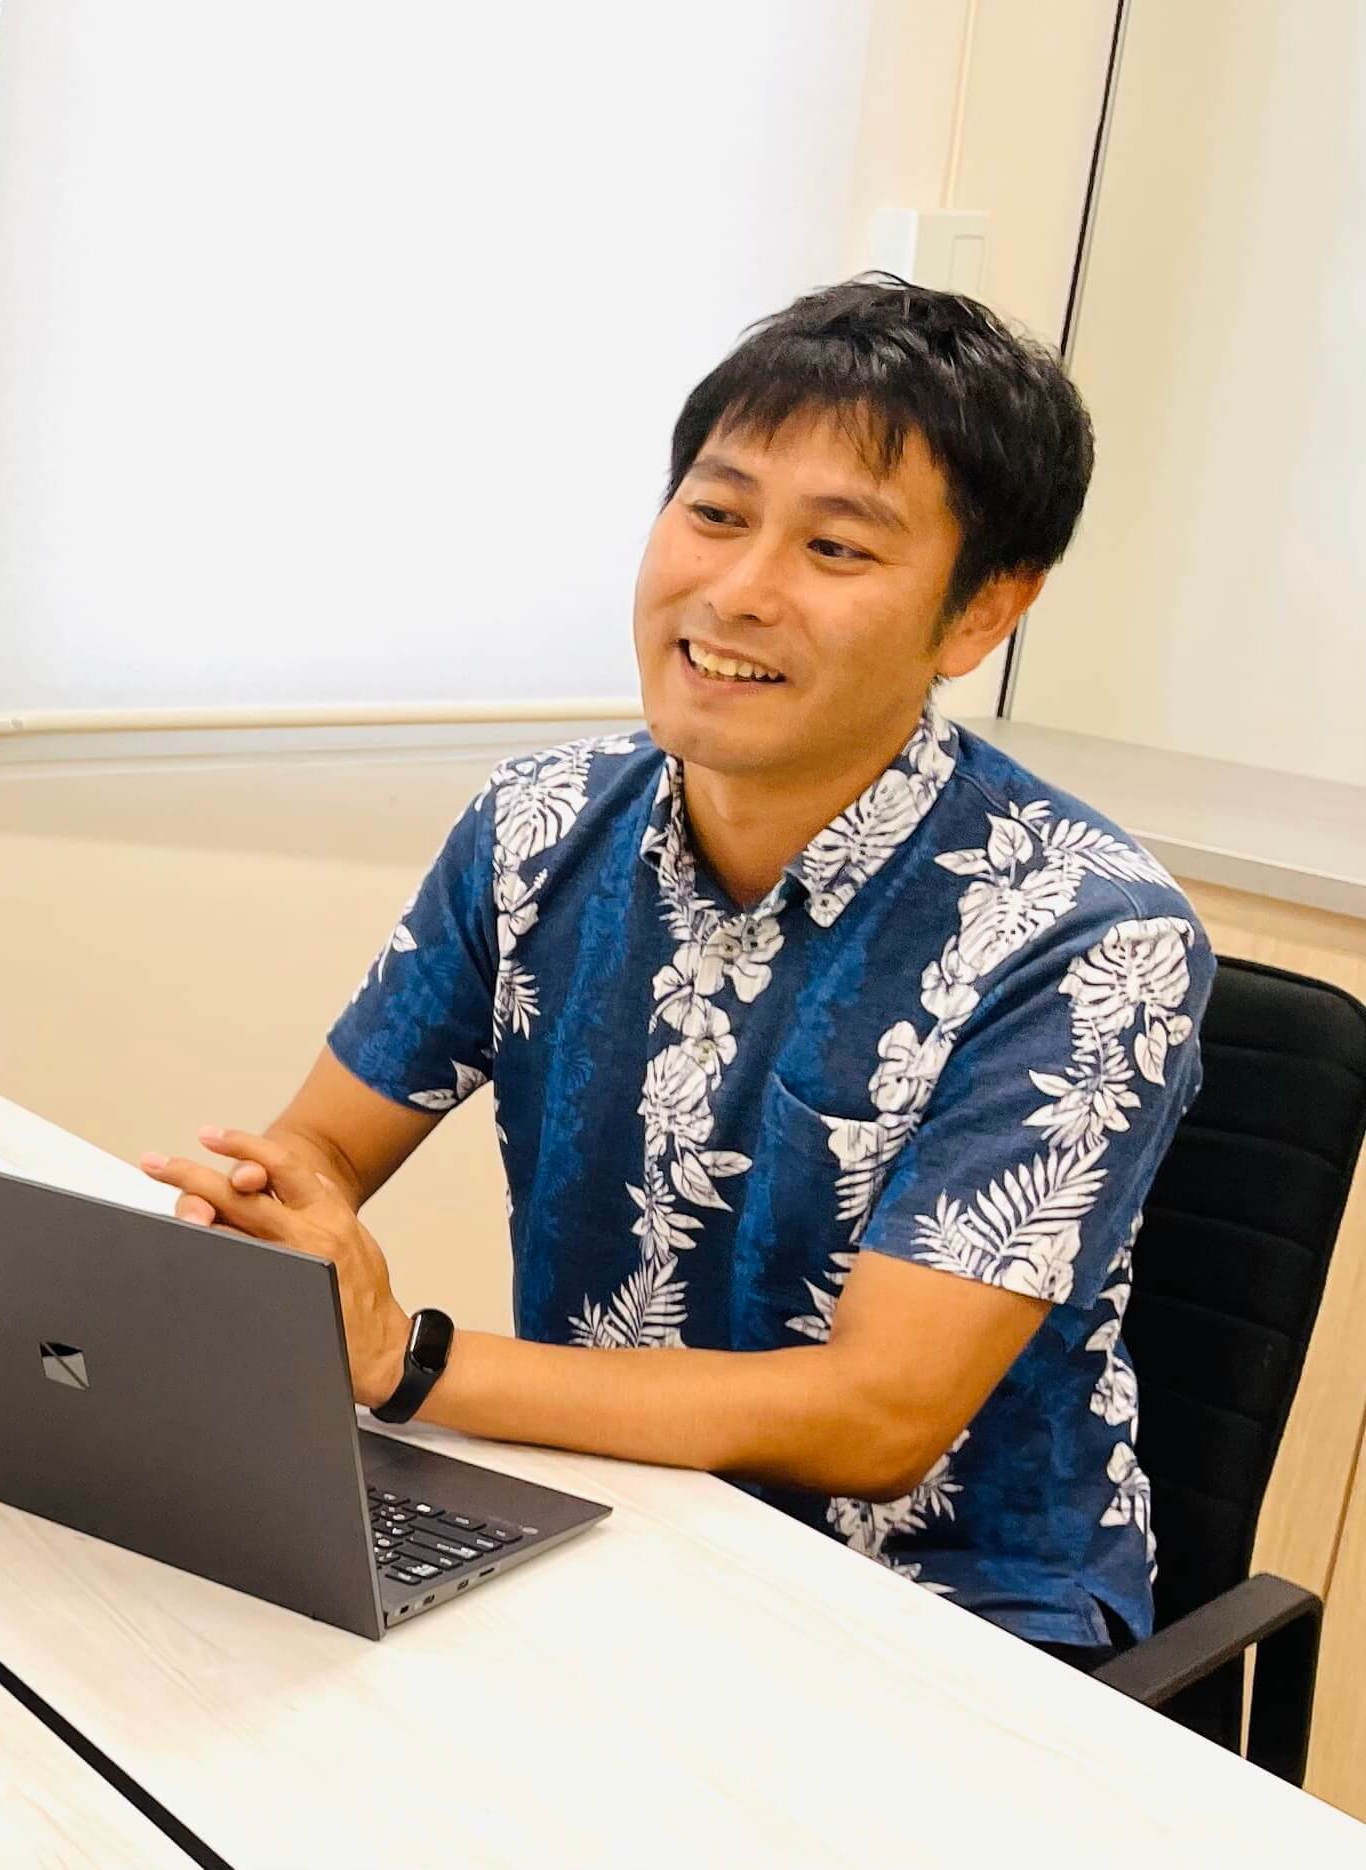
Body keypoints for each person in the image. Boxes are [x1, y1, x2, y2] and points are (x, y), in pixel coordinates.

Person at [140, 276, 1208, 1659]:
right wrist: (261, 1221)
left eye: (836, 549)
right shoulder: (537, 826)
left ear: (979, 613)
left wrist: (406, 1358)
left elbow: (876, 1416)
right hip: (602, 1527)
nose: (738, 591)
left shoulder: (1088, 934)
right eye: (714, 513)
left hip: (942, 1617)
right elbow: (323, 1150)